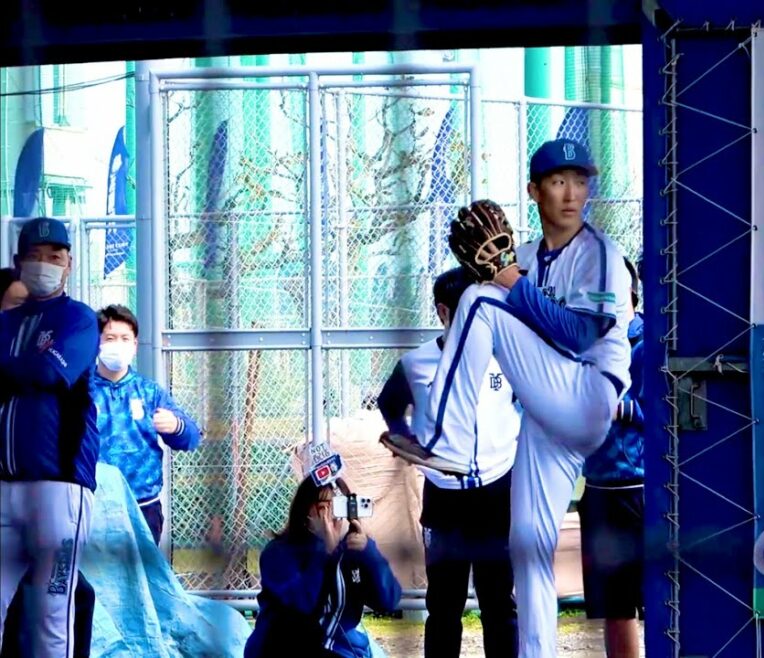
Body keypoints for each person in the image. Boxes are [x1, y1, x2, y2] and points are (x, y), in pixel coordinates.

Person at [383, 138, 634, 657]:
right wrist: (497, 273)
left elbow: (578, 335)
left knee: (479, 300)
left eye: (580, 181)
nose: (571, 193)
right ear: (534, 191)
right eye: (558, 181)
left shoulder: (600, 256)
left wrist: (502, 279)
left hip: (585, 390)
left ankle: (446, 441)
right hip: (545, 419)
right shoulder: (526, 258)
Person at [377, 266, 520, 658]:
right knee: (443, 604)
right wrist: (407, 442)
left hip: (497, 491)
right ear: (443, 312)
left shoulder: (506, 356)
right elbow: (389, 404)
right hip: (445, 496)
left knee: (499, 602)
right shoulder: (416, 363)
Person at [0, 218, 100, 657]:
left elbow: (49, 372)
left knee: (52, 615)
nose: (45, 263)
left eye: (54, 256)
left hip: (59, 489)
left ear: (69, 264)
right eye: (35, 256)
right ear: (18, 262)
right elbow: (31, 368)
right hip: (4, 484)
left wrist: (10, 365)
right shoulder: (7, 320)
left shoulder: (77, 318)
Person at [245, 476, 402, 658]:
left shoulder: (353, 552)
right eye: (325, 507)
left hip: (342, 649)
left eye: (339, 506)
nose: (333, 516)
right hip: (285, 646)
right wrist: (323, 552)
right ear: (306, 511)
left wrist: (370, 554)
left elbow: (388, 602)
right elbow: (302, 605)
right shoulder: (279, 552)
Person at [578, 257, 645, 658]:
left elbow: (670, 412)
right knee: (615, 607)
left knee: (662, 596)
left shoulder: (652, 343)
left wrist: (619, 408)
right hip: (600, 491)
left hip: (646, 488)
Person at [92, 304, 202, 546]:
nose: (117, 344)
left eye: (125, 339)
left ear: (134, 345)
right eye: (110, 338)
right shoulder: (79, 391)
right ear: (96, 342)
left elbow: (192, 438)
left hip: (143, 507)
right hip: (92, 504)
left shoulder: (150, 392)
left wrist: (176, 426)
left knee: (143, 569)